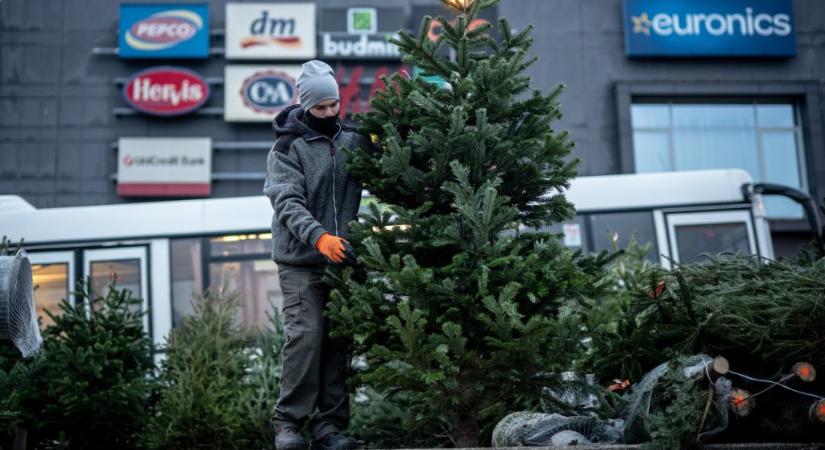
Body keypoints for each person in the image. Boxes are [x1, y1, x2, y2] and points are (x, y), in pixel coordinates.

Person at [263, 60, 366, 450]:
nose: (328, 113)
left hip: (342, 262)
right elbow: (287, 203)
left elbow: (393, 162)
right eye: (320, 107)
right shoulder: (287, 147)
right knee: (306, 335)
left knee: (338, 342)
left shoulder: (354, 137)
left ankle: (329, 429)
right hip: (300, 261)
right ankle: (288, 424)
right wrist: (320, 238)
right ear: (305, 105)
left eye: (333, 105)